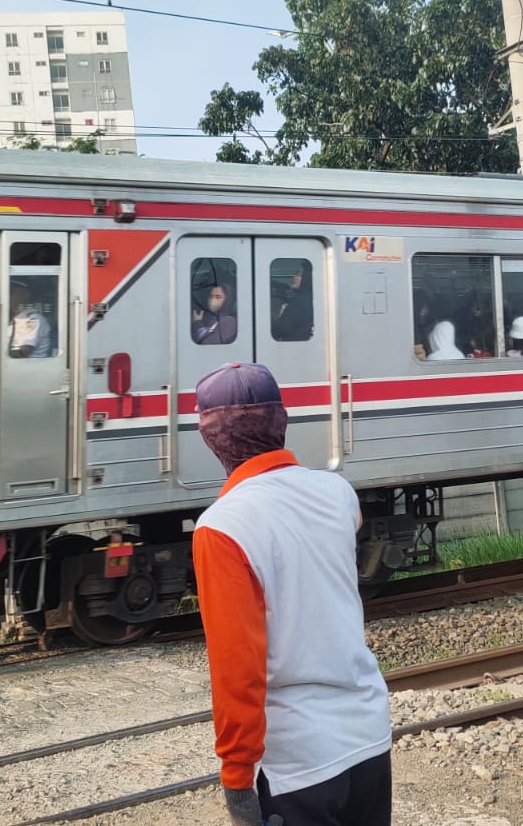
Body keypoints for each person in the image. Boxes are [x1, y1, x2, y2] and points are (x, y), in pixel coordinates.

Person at [190, 362, 392, 826]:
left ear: (212, 437)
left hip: (297, 765)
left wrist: (237, 776)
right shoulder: (338, 493)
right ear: (280, 423)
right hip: (367, 735)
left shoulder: (221, 528)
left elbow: (236, 668)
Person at [8, 280, 53, 358]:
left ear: (26, 295)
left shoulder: (33, 319)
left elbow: (24, 352)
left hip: (31, 368)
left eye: (12, 292)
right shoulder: (13, 319)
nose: (8, 295)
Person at [272, 270, 313, 342]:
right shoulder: (312, 297)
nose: (294, 277)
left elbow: (280, 330)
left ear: (307, 277)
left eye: (299, 275)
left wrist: (280, 316)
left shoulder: (300, 300)